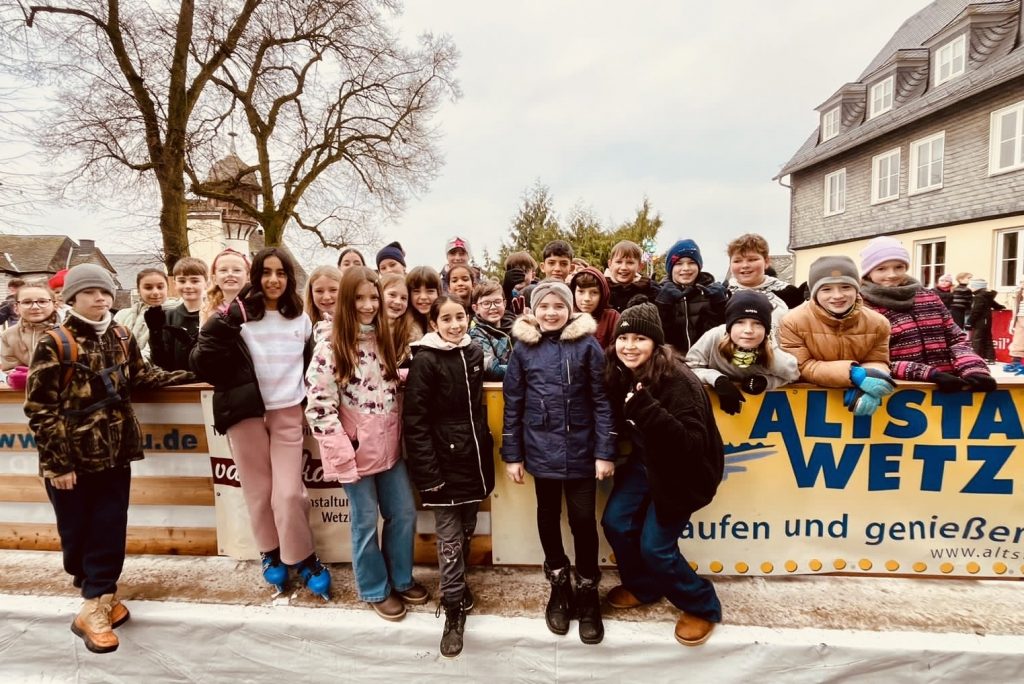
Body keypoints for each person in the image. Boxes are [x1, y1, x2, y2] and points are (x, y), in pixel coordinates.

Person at [25, 264, 193, 654]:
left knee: (109, 528)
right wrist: (58, 463)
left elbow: (141, 376)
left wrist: (193, 375)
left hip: (116, 452)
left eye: (104, 292)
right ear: (72, 297)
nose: (100, 299)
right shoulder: (55, 342)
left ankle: (97, 601)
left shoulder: (121, 334)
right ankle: (97, 598)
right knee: (76, 534)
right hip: (72, 458)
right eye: (90, 292)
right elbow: (40, 409)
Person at [191, 248, 331, 599]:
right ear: (256, 276)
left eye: (280, 273)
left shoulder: (300, 319)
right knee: (258, 490)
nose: (273, 280)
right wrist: (226, 321)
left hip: (287, 411)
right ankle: (270, 552)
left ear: (289, 278)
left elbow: (314, 367)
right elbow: (201, 361)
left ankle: (302, 555)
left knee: (289, 493)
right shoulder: (236, 315)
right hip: (246, 413)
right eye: (266, 272)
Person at [304, 266, 427, 620]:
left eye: (374, 297)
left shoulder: (383, 338)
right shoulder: (330, 347)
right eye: (360, 298)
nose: (369, 305)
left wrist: (415, 375)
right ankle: (374, 587)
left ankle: (400, 577)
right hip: (355, 454)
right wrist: (342, 453)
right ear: (347, 300)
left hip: (389, 448)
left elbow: (384, 381)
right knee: (365, 521)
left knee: (403, 512)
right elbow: (319, 406)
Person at [602, 301, 724, 647]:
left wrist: (646, 408)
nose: (629, 346)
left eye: (639, 339)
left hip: (684, 473)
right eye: (623, 338)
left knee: (656, 548)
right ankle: (644, 587)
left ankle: (701, 604)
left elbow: (692, 445)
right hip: (645, 463)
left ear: (656, 343)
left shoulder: (678, 380)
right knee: (616, 522)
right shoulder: (621, 371)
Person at [502, 279, 615, 645]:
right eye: (544, 306)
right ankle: (559, 584)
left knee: (582, 520)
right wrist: (513, 455)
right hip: (540, 449)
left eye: (558, 306)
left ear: (570, 309)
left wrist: (604, 451)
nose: (551, 313)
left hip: (582, 450)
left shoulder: (588, 346)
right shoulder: (523, 349)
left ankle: (587, 590)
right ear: (533, 310)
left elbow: (602, 401)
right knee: (548, 516)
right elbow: (513, 404)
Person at [403, 294, 495, 658]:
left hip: (472, 459)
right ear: (434, 323)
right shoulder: (425, 359)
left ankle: (459, 583)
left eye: (460, 317)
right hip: (442, 462)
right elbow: (415, 421)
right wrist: (428, 474)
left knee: (467, 527)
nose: (455, 325)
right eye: (447, 319)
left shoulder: (473, 352)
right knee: (449, 537)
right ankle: (453, 605)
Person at [858, 237, 995, 392]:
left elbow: (955, 338)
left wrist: (972, 368)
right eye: (881, 269)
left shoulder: (928, 297)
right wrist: (927, 374)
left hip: (949, 387)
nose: (892, 274)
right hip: (899, 391)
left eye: (899, 267)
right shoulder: (862, 306)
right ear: (868, 273)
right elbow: (870, 359)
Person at [778, 256, 894, 416]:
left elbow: (877, 359)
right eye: (826, 289)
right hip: (810, 409)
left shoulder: (879, 323)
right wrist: (853, 375)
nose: (838, 295)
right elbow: (801, 366)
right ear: (814, 292)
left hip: (853, 410)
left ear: (857, 288)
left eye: (845, 287)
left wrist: (871, 381)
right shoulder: (793, 321)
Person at [685, 290, 799, 415]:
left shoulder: (774, 355)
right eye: (740, 322)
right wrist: (717, 379)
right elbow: (689, 369)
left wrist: (766, 381)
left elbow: (793, 377)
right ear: (729, 326)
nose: (748, 330)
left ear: (766, 330)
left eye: (757, 323)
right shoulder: (713, 337)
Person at [655, 239, 729, 354]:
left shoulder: (710, 292)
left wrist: (720, 305)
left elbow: (723, 334)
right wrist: (662, 306)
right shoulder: (659, 293)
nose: (686, 268)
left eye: (691, 262)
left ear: (699, 266)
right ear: (670, 268)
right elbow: (655, 336)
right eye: (679, 263)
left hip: (705, 359)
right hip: (671, 360)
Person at [724, 233, 803, 321]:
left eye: (752, 259)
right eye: (737, 261)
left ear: (766, 262)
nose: (745, 265)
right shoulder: (723, 295)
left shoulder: (788, 293)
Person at [147, 257, 207, 371]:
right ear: (175, 284)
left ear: (206, 283)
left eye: (195, 281)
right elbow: (160, 361)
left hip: (206, 380)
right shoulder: (168, 317)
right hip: (178, 380)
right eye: (182, 281)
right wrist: (155, 334)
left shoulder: (213, 317)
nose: (188, 286)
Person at [1, 281, 59, 371]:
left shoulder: (67, 333)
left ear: (55, 305)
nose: (35, 307)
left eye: (42, 301)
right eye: (27, 302)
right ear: (16, 308)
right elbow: (11, 370)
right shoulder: (8, 336)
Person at [113, 268, 168, 361]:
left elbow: (152, 353)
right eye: (148, 288)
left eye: (160, 287)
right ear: (138, 290)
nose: (155, 292)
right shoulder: (122, 315)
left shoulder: (171, 316)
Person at [468, 280, 513, 380]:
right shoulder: (476, 334)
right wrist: (523, 368)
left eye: (497, 302)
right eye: (486, 303)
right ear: (476, 308)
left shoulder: (513, 328)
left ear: (504, 303)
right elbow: (492, 370)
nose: (493, 307)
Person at [568, 266, 620, 350]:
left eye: (594, 292)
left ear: (602, 295)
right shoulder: (567, 316)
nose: (587, 299)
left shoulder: (612, 318)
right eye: (581, 291)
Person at [606, 240, 659, 313]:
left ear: (640, 266)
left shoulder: (649, 289)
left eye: (630, 263)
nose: (623, 267)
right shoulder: (602, 288)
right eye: (618, 262)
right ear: (610, 264)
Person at [201, 248, 249, 323]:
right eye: (223, 270)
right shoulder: (208, 310)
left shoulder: (255, 308)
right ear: (214, 279)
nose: (230, 274)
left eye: (237, 270)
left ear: (247, 277)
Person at [966, 277, 1005, 365]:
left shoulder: (978, 297)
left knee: (977, 339)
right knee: (987, 338)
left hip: (980, 321)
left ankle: (976, 358)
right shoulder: (986, 296)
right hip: (986, 321)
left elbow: (976, 311)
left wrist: (969, 322)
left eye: (972, 286)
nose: (970, 288)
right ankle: (990, 358)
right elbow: (995, 304)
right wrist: (1000, 307)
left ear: (977, 287)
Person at [380, 272, 414, 366]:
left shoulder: (410, 332)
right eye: (392, 295)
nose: (398, 302)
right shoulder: (366, 329)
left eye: (404, 298)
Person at [304, 264, 342, 343]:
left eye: (333, 290)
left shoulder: (356, 324)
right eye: (319, 291)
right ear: (311, 293)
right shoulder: (304, 325)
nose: (326, 297)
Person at [407, 265, 441, 341]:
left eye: (430, 291)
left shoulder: (445, 320)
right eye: (416, 291)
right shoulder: (403, 324)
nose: (423, 297)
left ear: (438, 293)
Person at [502, 251, 537, 316]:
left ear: (533, 276)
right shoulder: (503, 294)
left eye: (524, 271)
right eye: (514, 272)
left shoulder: (538, 292)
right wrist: (506, 291)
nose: (519, 276)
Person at [1006, 276, 1024, 373]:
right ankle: (1016, 361)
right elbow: (1013, 306)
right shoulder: (1019, 293)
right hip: (1020, 317)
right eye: (1020, 282)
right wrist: (1013, 322)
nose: (1021, 284)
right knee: (1018, 341)